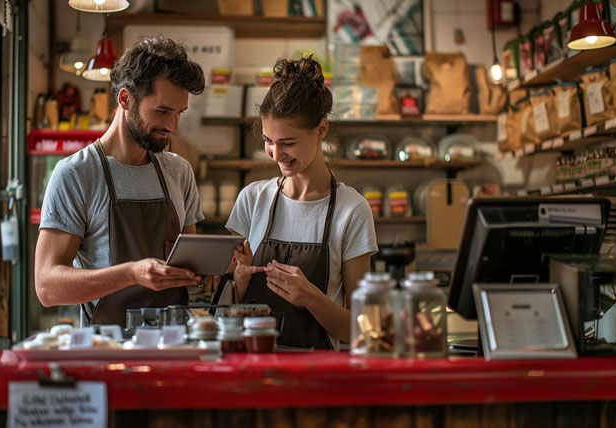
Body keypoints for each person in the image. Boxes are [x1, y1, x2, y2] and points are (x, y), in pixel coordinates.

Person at [35, 36, 207, 327]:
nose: (173, 126)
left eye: (179, 113)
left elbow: (189, 274)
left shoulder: (179, 172)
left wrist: (213, 270)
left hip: (174, 350)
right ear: (125, 99)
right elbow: (47, 286)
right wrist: (131, 274)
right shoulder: (77, 175)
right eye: (163, 111)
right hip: (106, 354)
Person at [223, 56, 377, 350]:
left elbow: (362, 330)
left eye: (288, 143)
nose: (275, 154)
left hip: (319, 376)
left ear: (320, 130)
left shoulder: (352, 210)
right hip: (253, 368)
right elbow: (228, 309)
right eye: (269, 140)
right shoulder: (252, 200)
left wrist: (311, 298)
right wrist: (239, 283)